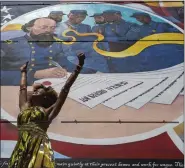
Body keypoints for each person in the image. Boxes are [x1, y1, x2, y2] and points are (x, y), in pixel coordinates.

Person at [8, 53, 86, 168]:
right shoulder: (24, 107)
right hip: (22, 149)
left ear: (45, 98)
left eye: (39, 91)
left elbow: (65, 89)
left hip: (39, 150)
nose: (35, 91)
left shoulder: (47, 113)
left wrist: (79, 67)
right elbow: (23, 88)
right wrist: (23, 72)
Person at [1, 17, 68, 86]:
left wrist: (63, 69)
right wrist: (34, 74)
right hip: (21, 84)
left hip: (53, 83)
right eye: (44, 27)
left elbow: (63, 61)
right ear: (29, 28)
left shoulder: (56, 43)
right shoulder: (9, 44)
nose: (48, 30)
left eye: (52, 28)